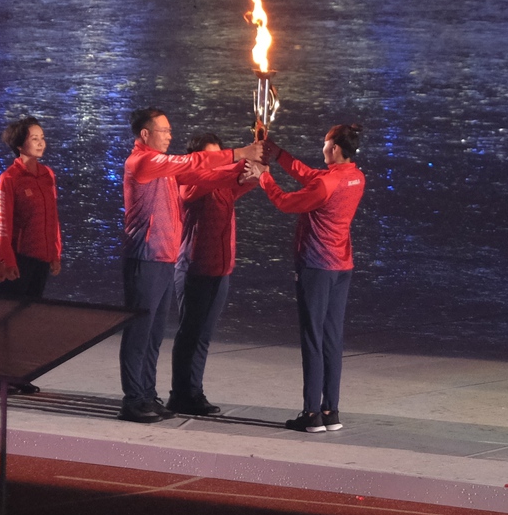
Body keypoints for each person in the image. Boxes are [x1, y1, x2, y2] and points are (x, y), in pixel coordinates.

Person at [117, 109, 261, 422]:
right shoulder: (143, 162)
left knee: (155, 335)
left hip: (166, 257)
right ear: (145, 134)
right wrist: (239, 153)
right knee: (139, 333)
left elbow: (205, 174)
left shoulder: (166, 167)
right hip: (145, 255)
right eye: (164, 130)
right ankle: (132, 400)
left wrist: (248, 166)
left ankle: (148, 395)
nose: (170, 135)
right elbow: (195, 163)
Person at [245, 123, 366, 434]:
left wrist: (264, 177)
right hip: (342, 265)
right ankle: (331, 410)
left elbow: (286, 202)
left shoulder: (327, 185)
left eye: (325, 143)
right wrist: (277, 152)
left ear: (335, 149)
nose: (322, 148)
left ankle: (311, 412)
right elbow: (309, 175)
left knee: (312, 338)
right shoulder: (355, 176)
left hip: (316, 266)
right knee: (332, 339)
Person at [169, 132, 256, 417]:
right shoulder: (189, 183)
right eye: (212, 158)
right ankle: (180, 394)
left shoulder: (223, 186)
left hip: (221, 269)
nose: (217, 164)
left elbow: (250, 179)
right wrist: (239, 159)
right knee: (190, 334)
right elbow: (218, 177)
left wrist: (259, 159)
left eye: (221, 156)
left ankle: (195, 391)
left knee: (204, 335)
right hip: (194, 267)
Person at [0, 116, 61, 301]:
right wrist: (7, 260)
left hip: (43, 258)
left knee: (33, 313)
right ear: (19, 145)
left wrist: (55, 253)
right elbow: (3, 224)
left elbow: (53, 217)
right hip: (20, 258)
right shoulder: (10, 178)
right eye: (34, 139)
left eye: (42, 138)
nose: (41, 143)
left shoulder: (47, 174)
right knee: (9, 314)